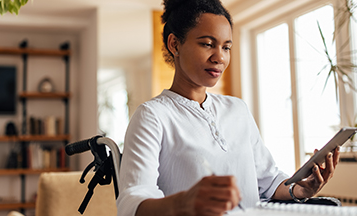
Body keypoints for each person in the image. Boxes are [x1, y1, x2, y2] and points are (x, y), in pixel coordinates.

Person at [116, 0, 340, 215]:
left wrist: (300, 188)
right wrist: (184, 203)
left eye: (226, 47)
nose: (220, 57)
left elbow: (269, 181)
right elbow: (132, 203)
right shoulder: (152, 116)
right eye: (207, 44)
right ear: (175, 44)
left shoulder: (237, 109)